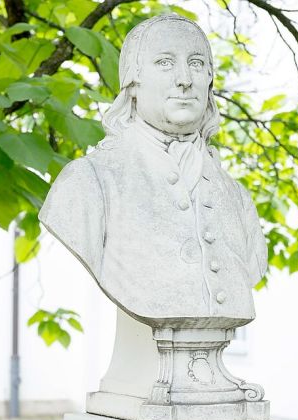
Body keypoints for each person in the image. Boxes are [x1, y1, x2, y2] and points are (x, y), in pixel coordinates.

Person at [39, 13, 267, 330]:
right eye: (165, 62)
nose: (185, 79)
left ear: (209, 80)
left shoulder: (238, 199)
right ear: (133, 83)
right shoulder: (87, 183)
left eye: (197, 64)